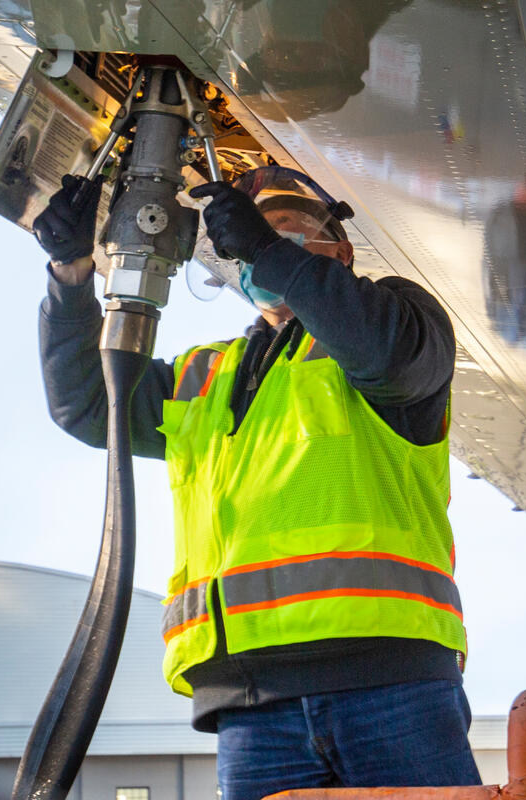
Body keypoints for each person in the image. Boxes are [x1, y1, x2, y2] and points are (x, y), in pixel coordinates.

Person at [34, 169, 481, 800]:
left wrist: (272, 253)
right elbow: (85, 404)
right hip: (249, 699)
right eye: (243, 240)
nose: (256, 251)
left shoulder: (398, 322)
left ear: (341, 252)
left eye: (286, 232)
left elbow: (382, 351)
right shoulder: (204, 375)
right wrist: (71, 275)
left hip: (387, 679)